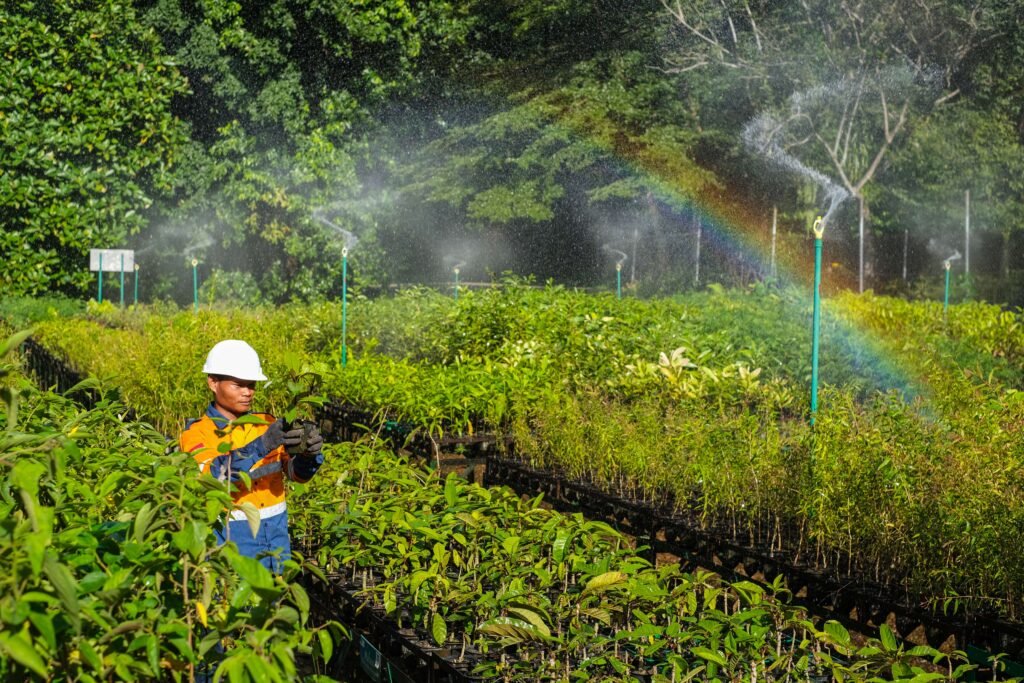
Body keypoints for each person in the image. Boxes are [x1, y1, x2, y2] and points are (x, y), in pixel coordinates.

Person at [180, 339, 323, 573]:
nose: (248, 392)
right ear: (213, 382)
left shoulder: (266, 423)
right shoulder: (197, 434)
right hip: (230, 554)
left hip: (276, 550)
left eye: (252, 384)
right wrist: (262, 445)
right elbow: (210, 479)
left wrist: (308, 455)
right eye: (238, 385)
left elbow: (294, 474)